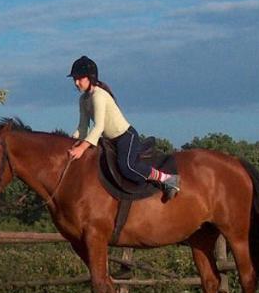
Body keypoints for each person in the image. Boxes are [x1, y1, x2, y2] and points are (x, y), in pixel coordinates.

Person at [65, 55, 180, 200]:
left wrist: (81, 148)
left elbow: (99, 126)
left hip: (126, 136)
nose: (76, 83)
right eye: (74, 79)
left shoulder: (99, 96)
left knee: (127, 166)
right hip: (110, 141)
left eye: (79, 78)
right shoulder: (83, 99)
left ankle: (167, 179)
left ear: (90, 77)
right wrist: (70, 142)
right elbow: (82, 127)